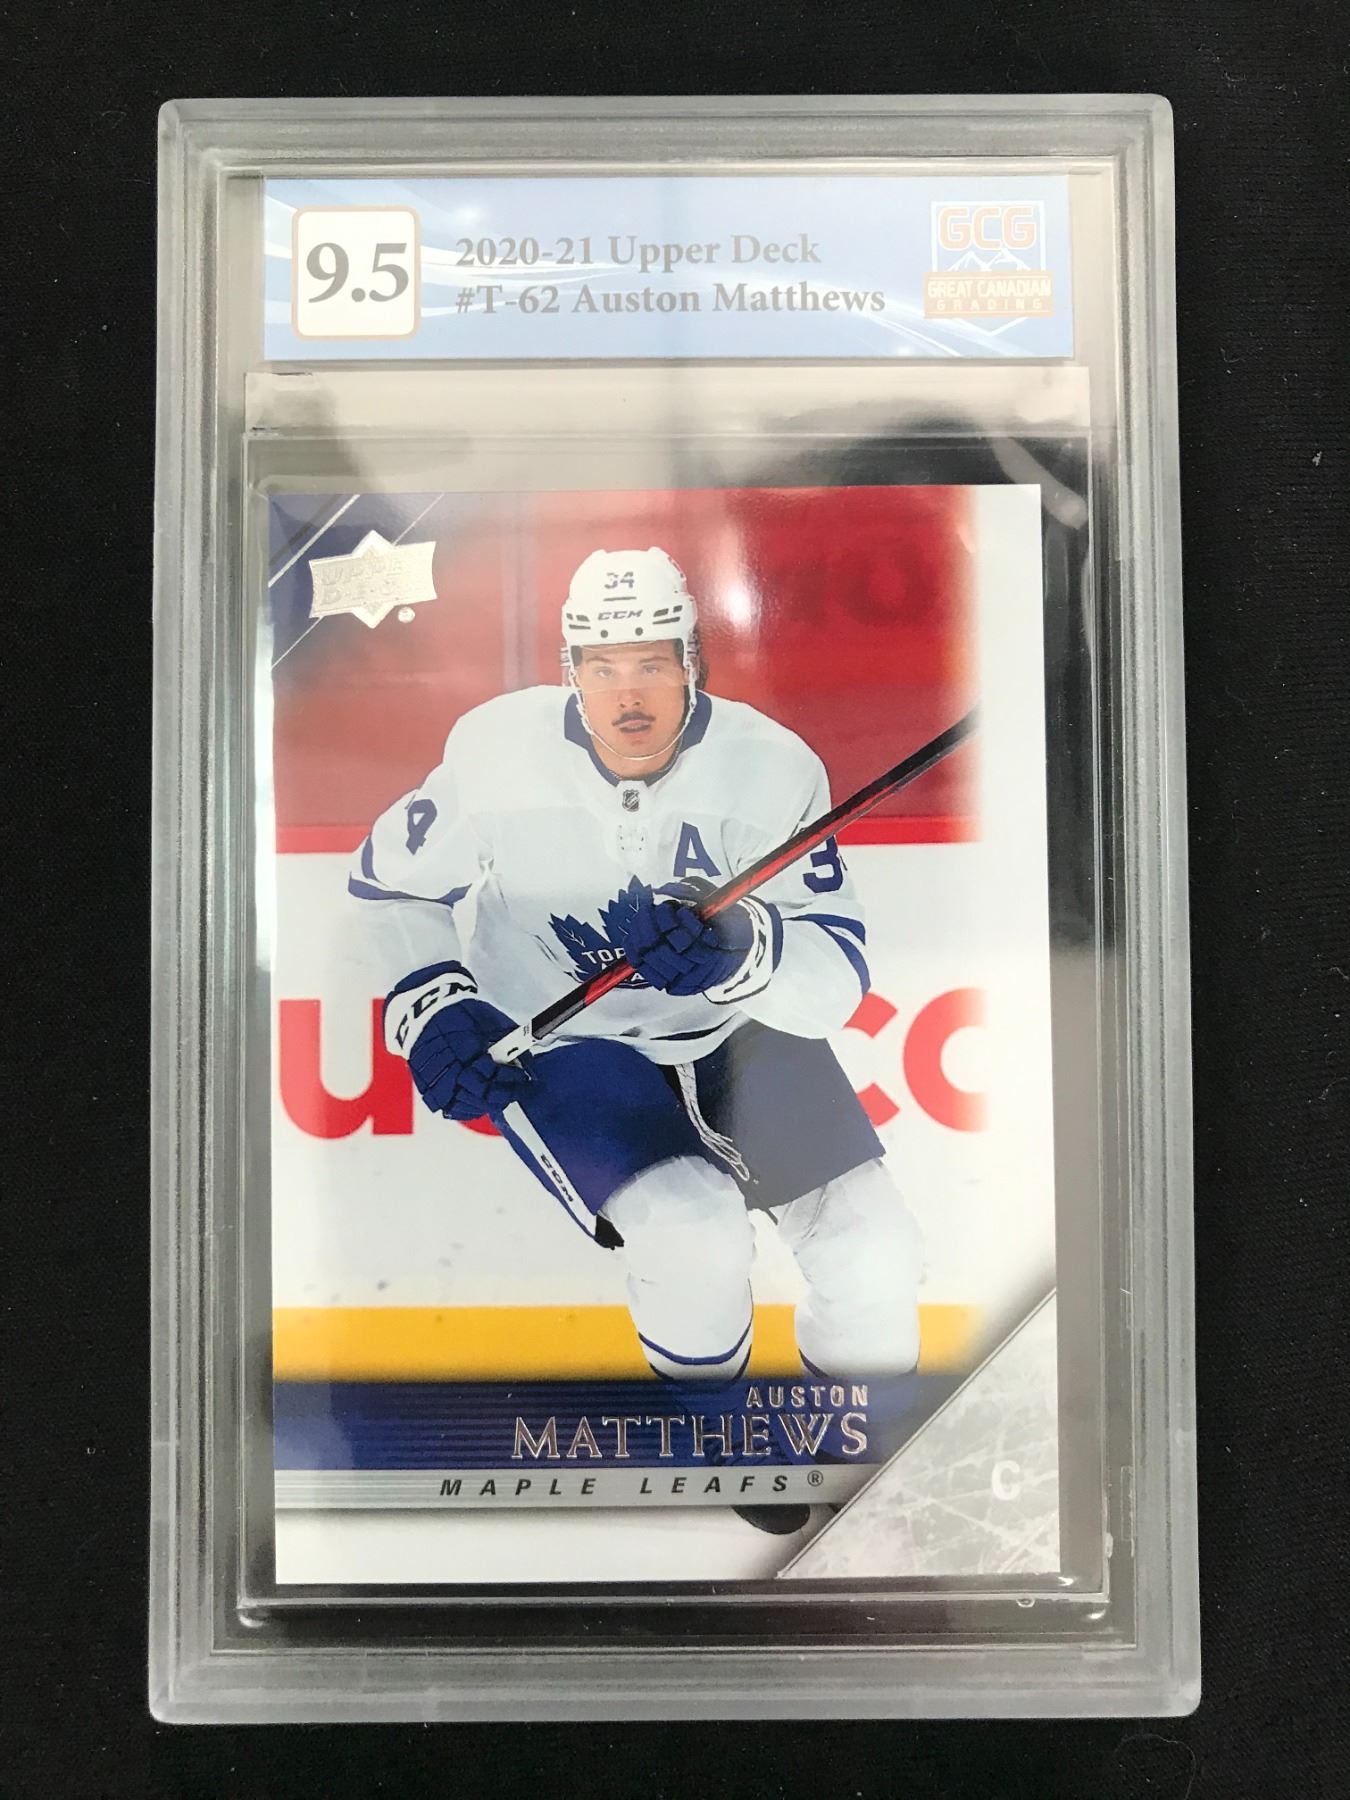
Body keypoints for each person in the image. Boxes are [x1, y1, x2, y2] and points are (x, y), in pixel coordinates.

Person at [350, 547, 923, 1402]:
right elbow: (389, 885)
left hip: (732, 1032)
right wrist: (435, 1004)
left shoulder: (772, 767)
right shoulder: (495, 750)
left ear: (692, 663)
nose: (628, 696)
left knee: (870, 1249)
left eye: (652, 664)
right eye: (603, 667)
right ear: (569, 670)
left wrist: (742, 950)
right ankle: (709, 1428)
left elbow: (835, 980)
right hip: (563, 1038)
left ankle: (862, 1435)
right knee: (693, 1237)